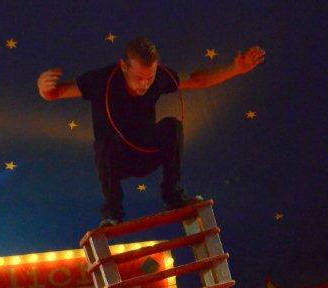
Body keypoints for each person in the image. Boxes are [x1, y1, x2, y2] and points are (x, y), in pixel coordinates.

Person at [37, 36, 265, 225]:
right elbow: (56, 93)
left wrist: (235, 69)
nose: (144, 85)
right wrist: (44, 88)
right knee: (104, 143)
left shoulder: (159, 78)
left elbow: (196, 80)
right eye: (138, 78)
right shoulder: (102, 80)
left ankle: (173, 196)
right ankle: (112, 213)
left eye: (150, 78)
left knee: (172, 125)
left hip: (146, 153)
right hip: (116, 160)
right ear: (123, 66)